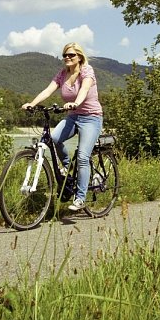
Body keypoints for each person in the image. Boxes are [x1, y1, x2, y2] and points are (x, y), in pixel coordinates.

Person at [22, 42, 103, 211]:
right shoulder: (62, 74)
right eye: (65, 55)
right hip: (73, 116)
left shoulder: (87, 70)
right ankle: (66, 166)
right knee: (54, 138)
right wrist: (32, 103)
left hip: (91, 118)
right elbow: (48, 90)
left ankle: (80, 198)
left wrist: (76, 103)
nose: (67, 57)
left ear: (79, 57)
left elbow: (85, 89)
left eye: (71, 55)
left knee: (82, 156)